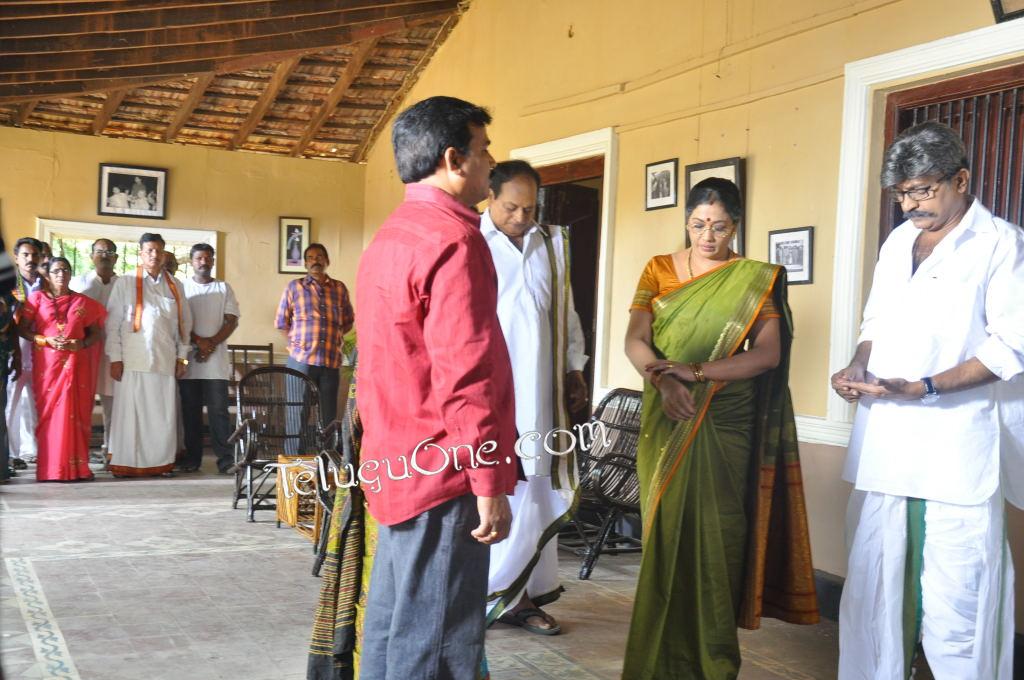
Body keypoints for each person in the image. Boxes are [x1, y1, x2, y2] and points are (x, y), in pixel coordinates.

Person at [832, 122, 1023, 679]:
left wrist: (925, 388)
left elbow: (1011, 346)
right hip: (887, 443)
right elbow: (875, 321)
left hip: (956, 448)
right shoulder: (898, 243)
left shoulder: (1001, 243)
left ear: (961, 180)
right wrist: (858, 365)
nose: (909, 205)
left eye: (921, 191)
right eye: (901, 194)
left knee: (959, 603)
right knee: (874, 591)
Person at [622, 177, 819, 679]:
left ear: (736, 226)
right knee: (666, 536)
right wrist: (664, 380)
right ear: (686, 221)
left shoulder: (754, 279)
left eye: (720, 226)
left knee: (719, 538)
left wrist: (695, 372)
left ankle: (712, 661)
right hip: (668, 416)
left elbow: (767, 354)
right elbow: (636, 340)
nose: (707, 236)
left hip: (727, 421)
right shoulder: (659, 269)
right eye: (698, 225)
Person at [355, 96, 517, 679]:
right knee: (439, 641)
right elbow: (466, 374)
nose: (491, 161)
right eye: (483, 150)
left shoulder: (390, 236)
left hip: (393, 462)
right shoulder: (455, 240)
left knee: (395, 623)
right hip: (442, 469)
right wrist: (489, 479)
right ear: (453, 159)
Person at [481, 160, 588, 635]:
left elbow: (565, 311)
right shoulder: (471, 241)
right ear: (490, 197)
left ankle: (519, 597)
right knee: (490, 486)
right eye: (511, 207)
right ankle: (478, 595)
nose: (521, 217)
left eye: (529, 209)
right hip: (487, 392)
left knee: (533, 486)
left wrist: (574, 367)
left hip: (541, 393)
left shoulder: (550, 244)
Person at [105, 233, 192, 478]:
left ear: (164, 254)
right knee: (130, 416)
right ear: (141, 253)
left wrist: (182, 358)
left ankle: (161, 463)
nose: (154, 255)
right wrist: (115, 358)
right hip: (132, 360)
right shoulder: (125, 282)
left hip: (164, 361)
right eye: (150, 250)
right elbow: (112, 323)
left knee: (161, 416)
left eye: (158, 251)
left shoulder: (175, 285)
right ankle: (126, 464)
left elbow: (184, 326)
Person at [18, 258, 106, 482]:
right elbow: (22, 328)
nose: (61, 274)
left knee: (77, 413)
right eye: (56, 270)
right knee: (49, 416)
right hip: (47, 366)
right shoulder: (36, 299)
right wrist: (44, 339)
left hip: (76, 364)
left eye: (66, 270)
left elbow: (96, 333)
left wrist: (81, 343)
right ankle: (51, 470)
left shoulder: (83, 302)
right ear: (47, 275)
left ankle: (78, 469)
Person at [275, 243, 353, 426]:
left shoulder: (339, 288)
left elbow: (348, 321)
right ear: (305, 264)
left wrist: (333, 339)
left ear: (327, 261)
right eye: (310, 258)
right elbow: (281, 322)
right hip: (301, 360)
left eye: (319, 257)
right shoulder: (294, 287)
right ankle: (295, 447)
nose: (315, 261)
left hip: (330, 361)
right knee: (296, 414)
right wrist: (297, 344)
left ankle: (325, 446)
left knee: (328, 417)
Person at [179, 244, 239, 474]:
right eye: (199, 258)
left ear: (213, 261)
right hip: (189, 361)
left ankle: (225, 460)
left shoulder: (224, 287)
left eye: (207, 258)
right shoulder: (182, 287)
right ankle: (192, 459)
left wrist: (210, 343)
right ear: (191, 261)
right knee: (190, 412)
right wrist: (199, 342)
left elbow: (231, 320)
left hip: (216, 364)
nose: (203, 262)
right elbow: (179, 321)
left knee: (219, 413)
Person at [70, 239, 119, 462]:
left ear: (116, 258)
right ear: (91, 256)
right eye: (100, 251)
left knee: (112, 404)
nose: (105, 256)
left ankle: (110, 450)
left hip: (112, 354)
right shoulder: (79, 283)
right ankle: (77, 451)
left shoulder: (123, 285)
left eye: (109, 252)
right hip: (85, 352)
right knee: (81, 403)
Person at [7, 237, 45, 469]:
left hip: (42, 351)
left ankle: (32, 450)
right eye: (25, 255)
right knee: (10, 404)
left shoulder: (48, 283)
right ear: (16, 257)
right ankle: (10, 453)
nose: (31, 259)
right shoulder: (8, 284)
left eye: (35, 255)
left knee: (36, 403)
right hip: (14, 350)